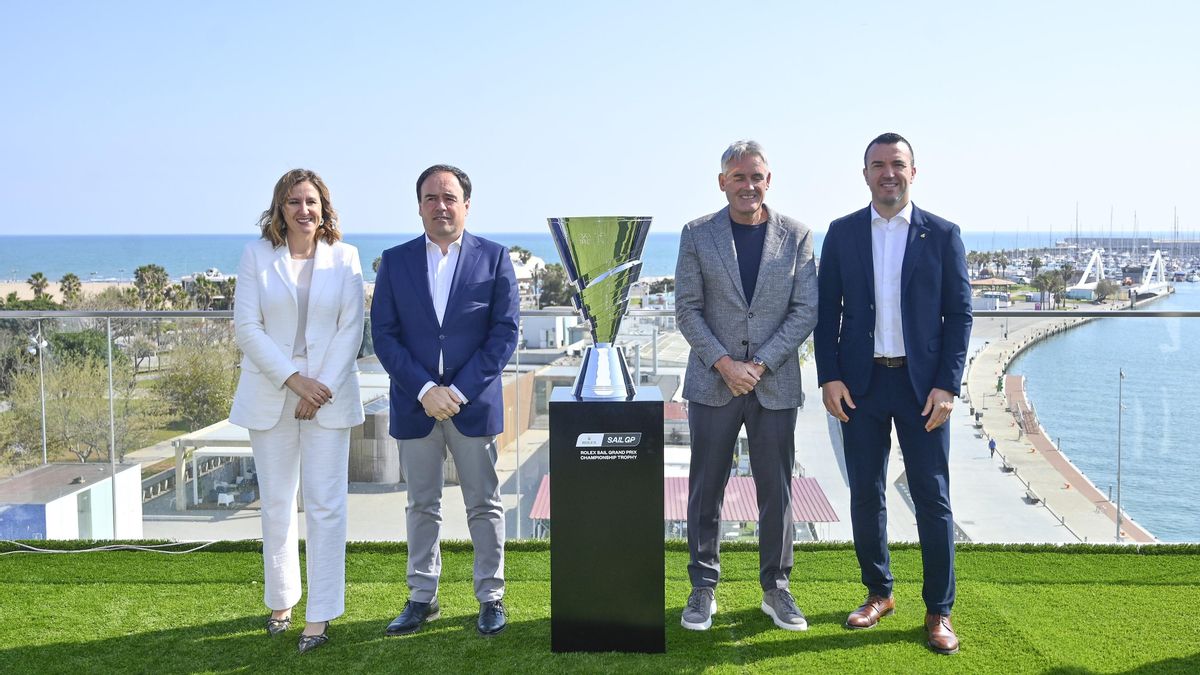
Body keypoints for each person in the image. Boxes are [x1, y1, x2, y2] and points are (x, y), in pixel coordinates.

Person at [815, 132, 972, 654]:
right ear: (865, 174)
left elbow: (960, 316)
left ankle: (939, 610)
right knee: (867, 493)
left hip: (922, 388)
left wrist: (948, 384)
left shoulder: (943, 235)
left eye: (897, 164)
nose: (888, 173)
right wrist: (828, 376)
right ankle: (879, 592)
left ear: (913, 171)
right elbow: (826, 312)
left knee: (933, 497)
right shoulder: (841, 234)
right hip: (860, 386)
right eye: (878, 165)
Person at [675, 140, 818, 632]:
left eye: (756, 176)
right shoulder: (697, 234)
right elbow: (687, 309)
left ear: (769, 180)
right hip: (713, 385)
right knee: (705, 489)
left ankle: (776, 589)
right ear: (722, 182)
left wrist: (759, 363)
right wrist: (724, 363)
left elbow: (806, 310)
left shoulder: (797, 236)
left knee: (775, 491)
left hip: (773, 385)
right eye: (738, 177)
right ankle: (702, 588)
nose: (748, 185)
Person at [371, 164, 519, 637]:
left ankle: (491, 597)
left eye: (449, 197)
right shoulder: (393, 262)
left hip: (471, 404)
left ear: (466, 204)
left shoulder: (494, 258)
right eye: (431, 197)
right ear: (419, 206)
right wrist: (424, 390)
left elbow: (504, 334)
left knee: (484, 503)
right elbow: (385, 335)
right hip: (415, 404)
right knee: (421, 504)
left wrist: (455, 392)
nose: (441, 205)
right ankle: (421, 598)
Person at [229, 168, 365, 654]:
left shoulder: (346, 258)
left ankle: (321, 614)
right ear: (279, 209)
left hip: (327, 395)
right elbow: (247, 327)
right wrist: (294, 380)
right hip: (272, 392)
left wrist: (318, 387)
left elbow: (352, 327)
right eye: (293, 202)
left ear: (324, 207)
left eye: (311, 201)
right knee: (278, 505)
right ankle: (281, 601)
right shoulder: (255, 257)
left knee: (327, 507)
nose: (303, 210)